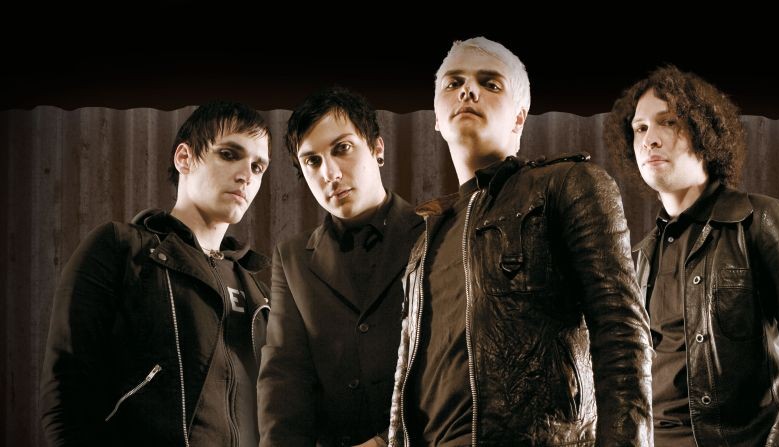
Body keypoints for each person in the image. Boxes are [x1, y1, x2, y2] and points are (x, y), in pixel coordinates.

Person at [387, 37, 653, 446]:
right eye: (453, 82)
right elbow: (403, 383)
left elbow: (622, 334)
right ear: (437, 117)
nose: (468, 91)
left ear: (519, 117)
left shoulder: (568, 185)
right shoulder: (424, 239)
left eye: (490, 83)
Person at [603, 65, 779, 446]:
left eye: (668, 122)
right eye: (640, 128)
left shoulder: (760, 221)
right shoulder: (640, 257)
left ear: (704, 131)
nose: (649, 139)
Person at [40, 101, 273, 446]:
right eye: (229, 154)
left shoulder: (256, 290)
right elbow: (65, 403)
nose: (246, 175)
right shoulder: (122, 249)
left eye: (257, 166)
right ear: (185, 158)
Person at [257, 87, 421, 447]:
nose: (329, 173)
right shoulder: (293, 257)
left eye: (342, 148)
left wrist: (385, 442)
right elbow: (284, 379)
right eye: (312, 161)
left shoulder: (434, 233)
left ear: (377, 148)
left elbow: (453, 371)